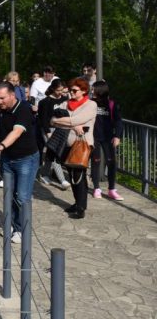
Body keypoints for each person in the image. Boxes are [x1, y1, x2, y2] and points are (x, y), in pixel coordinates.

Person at [0, 82, 40, 242]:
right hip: (8, 159)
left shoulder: (23, 109)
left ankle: (21, 230)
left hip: (26, 159)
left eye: (2, 98)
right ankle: (11, 224)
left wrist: (2, 145)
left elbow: (16, 132)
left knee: (22, 196)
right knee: (9, 195)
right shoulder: (3, 111)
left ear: (12, 95)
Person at [50, 78, 97, 219]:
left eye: (75, 90)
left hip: (82, 145)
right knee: (71, 175)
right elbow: (52, 120)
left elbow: (75, 120)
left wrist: (65, 122)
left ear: (83, 91)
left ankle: (81, 207)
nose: (71, 92)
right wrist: (72, 125)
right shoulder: (66, 103)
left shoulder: (91, 104)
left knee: (79, 175)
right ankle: (77, 203)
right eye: (70, 90)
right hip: (67, 144)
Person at [90, 81, 124, 201]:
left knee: (111, 162)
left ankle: (112, 189)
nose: (91, 91)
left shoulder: (111, 104)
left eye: (93, 89)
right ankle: (96, 188)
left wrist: (117, 136)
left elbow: (118, 121)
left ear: (100, 90)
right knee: (96, 162)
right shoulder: (90, 103)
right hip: (93, 137)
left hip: (108, 137)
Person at [37, 79, 71, 189]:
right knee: (55, 152)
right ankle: (62, 180)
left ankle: (44, 174)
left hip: (61, 129)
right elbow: (43, 119)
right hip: (49, 130)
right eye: (58, 90)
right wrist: (47, 133)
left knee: (50, 153)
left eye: (62, 90)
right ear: (53, 89)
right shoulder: (45, 102)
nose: (60, 92)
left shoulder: (65, 100)